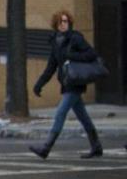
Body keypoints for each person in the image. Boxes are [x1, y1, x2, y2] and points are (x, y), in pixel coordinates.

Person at [29, 10, 103, 159]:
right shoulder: (56, 43)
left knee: (60, 112)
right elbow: (51, 67)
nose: (63, 24)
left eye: (66, 21)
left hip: (75, 82)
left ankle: (46, 148)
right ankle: (96, 147)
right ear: (56, 24)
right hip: (66, 82)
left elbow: (91, 54)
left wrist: (72, 55)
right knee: (83, 117)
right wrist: (39, 84)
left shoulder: (75, 38)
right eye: (60, 22)